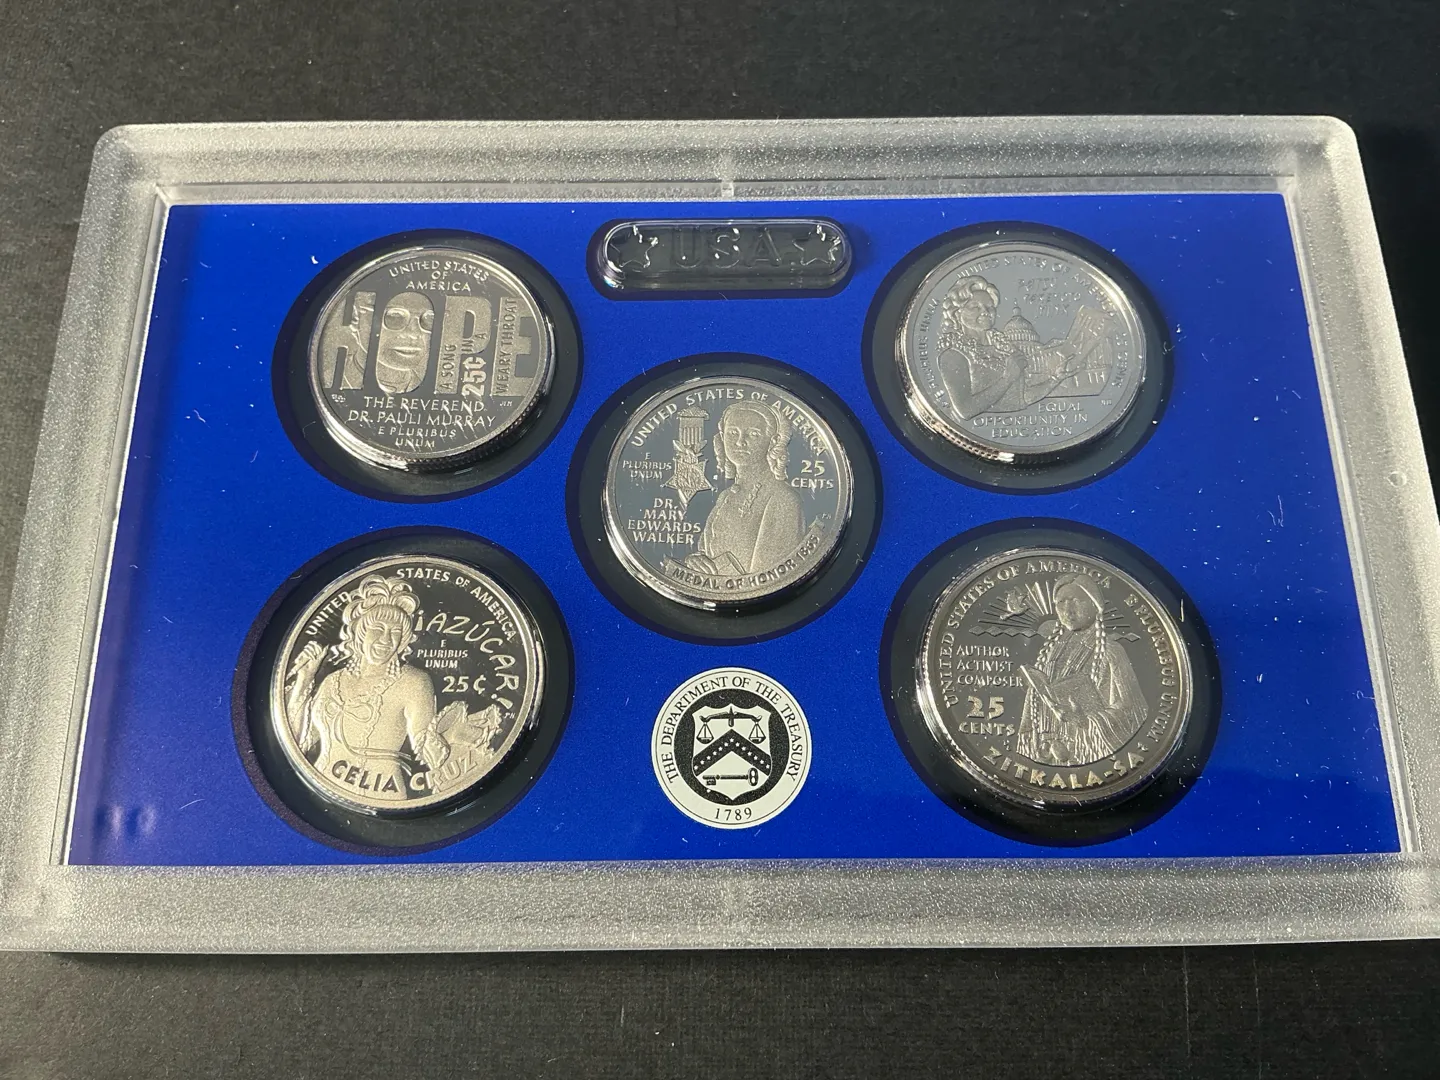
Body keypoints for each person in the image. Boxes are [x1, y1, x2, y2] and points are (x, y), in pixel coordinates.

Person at [284, 574, 449, 800]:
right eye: (378, 628)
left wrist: (447, 737)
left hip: (384, 793)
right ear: (360, 633)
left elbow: (427, 747)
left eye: (396, 632)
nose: (386, 639)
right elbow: (299, 743)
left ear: (403, 640)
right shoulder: (332, 681)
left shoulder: (414, 681)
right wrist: (305, 678)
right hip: (319, 791)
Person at [1014, 573, 1148, 766]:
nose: (1068, 610)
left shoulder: (1111, 651)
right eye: (1061, 603)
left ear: (1095, 605)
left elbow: (1132, 712)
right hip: (1047, 749)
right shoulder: (1050, 651)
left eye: (1076, 601)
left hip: (1089, 750)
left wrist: (1085, 720)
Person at [685, 401, 805, 578]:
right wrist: (697, 561)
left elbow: (767, 579)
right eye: (733, 433)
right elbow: (709, 552)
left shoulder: (783, 498)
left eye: (753, 434)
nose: (740, 442)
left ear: (772, 442)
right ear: (722, 437)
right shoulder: (726, 496)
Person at [935, 276, 1079, 420]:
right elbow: (965, 410)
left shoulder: (1004, 350)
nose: (985, 312)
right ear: (956, 313)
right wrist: (1007, 378)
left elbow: (1022, 398)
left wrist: (1055, 378)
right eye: (975, 307)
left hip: (1021, 428)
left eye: (990, 307)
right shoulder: (953, 355)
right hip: (985, 429)